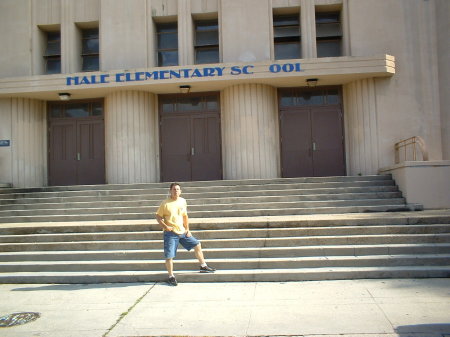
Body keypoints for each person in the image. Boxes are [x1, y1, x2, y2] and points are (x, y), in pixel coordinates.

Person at [156, 182, 216, 286]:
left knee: (197, 244)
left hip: (182, 231)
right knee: (169, 255)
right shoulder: (165, 203)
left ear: (181, 191)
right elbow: (158, 217)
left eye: (178, 189)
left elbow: (185, 216)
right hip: (171, 233)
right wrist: (165, 227)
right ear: (170, 191)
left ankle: (203, 266)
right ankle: (171, 276)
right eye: (174, 189)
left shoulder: (183, 201)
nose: (176, 191)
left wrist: (187, 229)